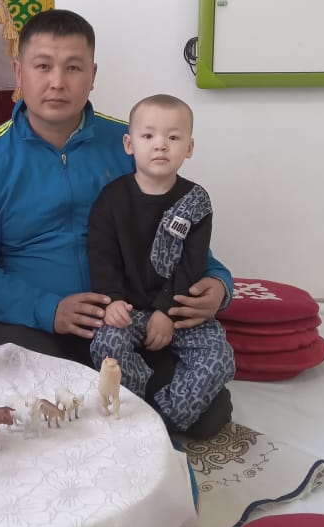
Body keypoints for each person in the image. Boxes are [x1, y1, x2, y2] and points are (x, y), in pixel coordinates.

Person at [0, 8, 233, 435]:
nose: (57, 82)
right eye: (43, 66)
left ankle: (128, 411)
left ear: (93, 75)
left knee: (210, 412)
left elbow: (181, 228)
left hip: (129, 321)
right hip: (36, 326)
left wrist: (218, 281)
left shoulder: (131, 143)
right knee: (38, 414)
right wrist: (49, 310)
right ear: (19, 72)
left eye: (73, 67)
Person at [87, 94, 235, 434]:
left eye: (173, 137)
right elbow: (102, 254)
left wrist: (167, 311)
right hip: (128, 311)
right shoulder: (111, 198)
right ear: (129, 144)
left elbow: (193, 263)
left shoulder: (196, 201)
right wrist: (112, 301)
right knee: (107, 346)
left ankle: (167, 417)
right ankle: (139, 406)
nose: (161, 145)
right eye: (148, 135)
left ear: (189, 147)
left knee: (220, 356)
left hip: (179, 310)